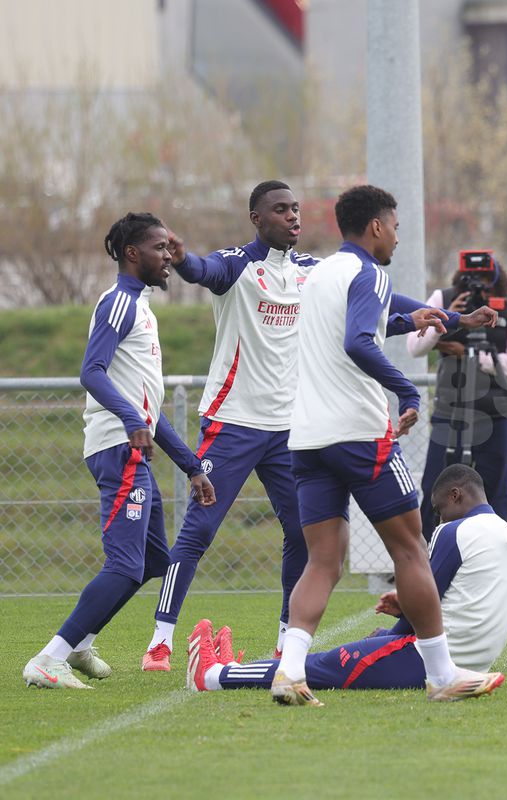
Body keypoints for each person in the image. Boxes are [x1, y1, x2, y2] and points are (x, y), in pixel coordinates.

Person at [279, 184, 502, 705]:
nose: (398, 238)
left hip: (308, 438)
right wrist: (403, 388)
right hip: (358, 433)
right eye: (396, 227)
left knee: (323, 562)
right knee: (410, 549)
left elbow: (384, 316)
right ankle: (444, 675)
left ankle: (289, 670)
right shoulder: (369, 273)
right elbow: (360, 339)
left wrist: (454, 319)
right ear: (376, 226)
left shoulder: (322, 274)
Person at [23, 213, 217, 689]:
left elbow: (149, 409)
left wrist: (192, 466)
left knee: (150, 562)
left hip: (134, 447)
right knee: (125, 564)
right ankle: (50, 657)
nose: (169, 257)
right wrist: (131, 420)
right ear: (133, 254)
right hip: (118, 448)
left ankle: (82, 642)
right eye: (159, 248)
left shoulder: (142, 308)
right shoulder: (119, 304)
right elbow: (92, 371)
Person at [139, 180, 316, 672]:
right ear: (257, 219)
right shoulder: (237, 264)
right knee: (198, 531)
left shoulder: (310, 273)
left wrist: (438, 317)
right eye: (281, 210)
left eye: (296, 209)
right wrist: (185, 257)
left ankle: (286, 640)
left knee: (301, 531)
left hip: (287, 430)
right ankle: (161, 640)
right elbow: (202, 270)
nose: (293, 217)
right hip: (233, 423)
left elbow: (372, 298)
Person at [186, 465, 507, 695]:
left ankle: (215, 676)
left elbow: (424, 609)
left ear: (456, 496)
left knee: (314, 665)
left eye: (439, 509)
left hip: (425, 659)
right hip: (475, 661)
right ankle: (233, 666)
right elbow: (458, 601)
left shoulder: (456, 531)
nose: (439, 517)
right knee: (324, 660)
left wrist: (390, 638)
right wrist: (399, 620)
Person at [408, 254, 507, 536]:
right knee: (435, 489)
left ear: (499, 280)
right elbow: (415, 348)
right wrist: (447, 318)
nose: (478, 288)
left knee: (494, 493)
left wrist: (472, 356)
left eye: (487, 282)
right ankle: (429, 558)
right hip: (450, 413)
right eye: (471, 279)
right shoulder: (444, 298)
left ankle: (493, 556)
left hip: (496, 413)